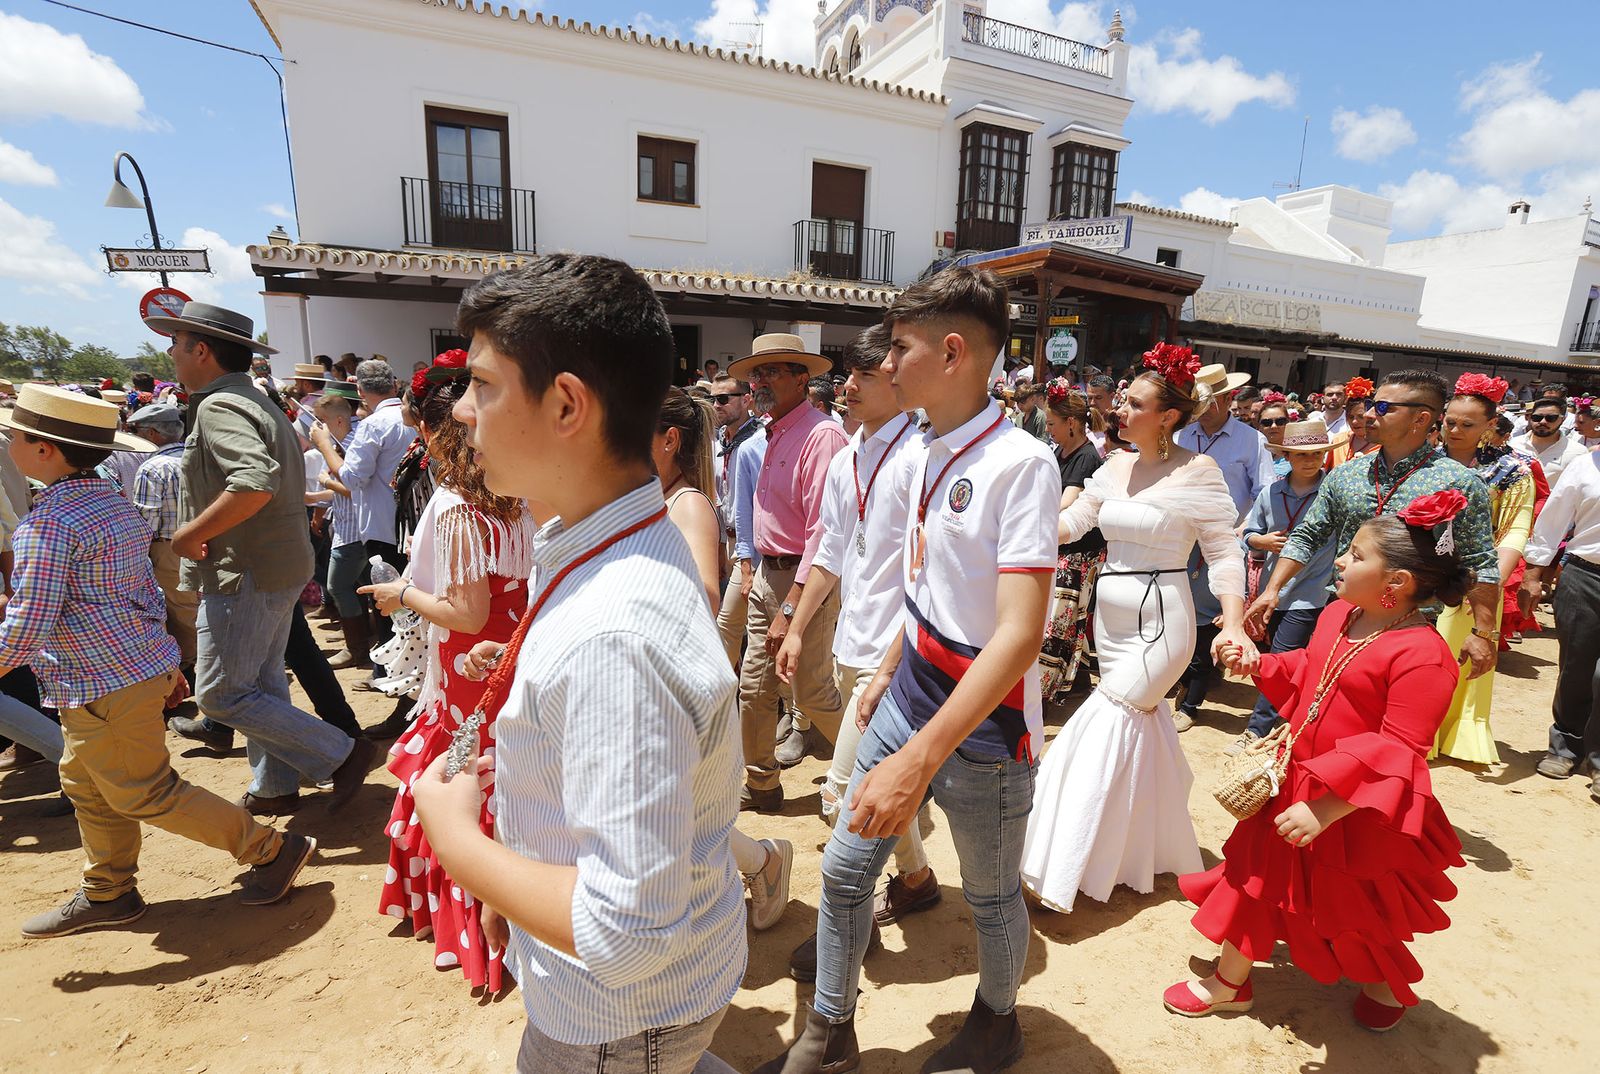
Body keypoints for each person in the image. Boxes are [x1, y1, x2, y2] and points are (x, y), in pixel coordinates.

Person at [409, 254, 744, 1073]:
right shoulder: (601, 541)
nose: (461, 410)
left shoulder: (613, 631)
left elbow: (626, 932)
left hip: (613, 1021)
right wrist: (518, 887)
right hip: (633, 1003)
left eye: (482, 385)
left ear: (566, 404)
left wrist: (461, 846)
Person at [756, 265, 1058, 1074]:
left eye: (899, 348)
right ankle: (830, 1034)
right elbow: (926, 583)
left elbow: (1018, 636)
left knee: (990, 896)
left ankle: (997, 1022)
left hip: (985, 730)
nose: (885, 365)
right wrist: (892, 663)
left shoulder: (1021, 464)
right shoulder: (926, 448)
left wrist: (920, 758)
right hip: (911, 693)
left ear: (952, 353)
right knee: (845, 869)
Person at [0, 385, 315, 937]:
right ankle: (109, 890)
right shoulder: (110, 501)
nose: (9, 445)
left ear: (44, 449)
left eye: (16, 437)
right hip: (118, 675)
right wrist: (165, 661)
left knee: (144, 791)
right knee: (88, 783)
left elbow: (28, 625)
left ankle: (269, 849)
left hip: (101, 684)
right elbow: (143, 591)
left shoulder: (49, 525)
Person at [1167, 494, 1473, 1031]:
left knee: (1358, 903)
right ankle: (1230, 983)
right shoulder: (1338, 614)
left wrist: (1328, 809)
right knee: (1256, 877)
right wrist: (1260, 664)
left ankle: (1382, 986)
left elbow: (1400, 750)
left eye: (1356, 555)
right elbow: (1311, 671)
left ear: (1396, 582)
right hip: (1297, 781)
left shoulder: (1424, 656)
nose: (1340, 561)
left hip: (1358, 808)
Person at [1022, 344, 1254, 913]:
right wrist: (1016, 532)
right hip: (1110, 618)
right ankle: (1139, 852)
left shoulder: (1200, 472)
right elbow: (1077, 522)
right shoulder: (1115, 464)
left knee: (1104, 721)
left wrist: (1234, 622)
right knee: (1136, 729)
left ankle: (1059, 861)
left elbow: (1224, 552)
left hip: (1163, 622)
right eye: (1123, 400)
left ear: (1169, 416)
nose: (1120, 410)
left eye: (1135, 404)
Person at [145, 300, 376, 815]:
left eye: (176, 343)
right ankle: (275, 786)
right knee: (263, 684)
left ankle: (341, 753)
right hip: (270, 565)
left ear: (201, 351)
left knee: (220, 695)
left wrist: (187, 536)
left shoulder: (221, 406)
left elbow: (252, 483)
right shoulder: (254, 400)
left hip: (244, 569)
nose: (170, 353)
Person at [363, 353, 537, 991]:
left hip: (472, 666)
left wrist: (401, 594)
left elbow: (466, 612)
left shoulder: (460, 506)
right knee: (498, 771)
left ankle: (473, 916)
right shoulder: (517, 496)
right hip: (510, 654)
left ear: (435, 433)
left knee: (462, 775)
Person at [776, 325, 938, 968]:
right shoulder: (847, 459)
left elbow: (929, 578)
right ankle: (917, 880)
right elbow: (832, 551)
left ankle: (847, 925)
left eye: (865, 376)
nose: (847, 387)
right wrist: (796, 624)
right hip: (852, 640)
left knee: (841, 792)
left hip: (894, 654)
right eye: (849, 375)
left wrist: (892, 665)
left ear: (898, 385)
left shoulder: (921, 458)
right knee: (871, 784)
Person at [1248, 370, 1502, 682]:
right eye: (1371, 405)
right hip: (1341, 611)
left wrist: (1483, 632)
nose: (1368, 415)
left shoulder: (1459, 482)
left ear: (1420, 419)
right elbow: (1308, 535)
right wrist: (1272, 590)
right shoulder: (1347, 475)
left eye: (1383, 408)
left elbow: (1480, 561)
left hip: (1410, 626)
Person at [655, 384, 793, 932]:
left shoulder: (688, 505)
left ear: (669, 441)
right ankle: (760, 863)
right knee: (673, 809)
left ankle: (762, 862)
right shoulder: (658, 499)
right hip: (660, 675)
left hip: (676, 677)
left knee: (678, 809)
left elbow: (705, 595)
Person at [731, 333, 848, 808]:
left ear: (802, 380)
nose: (759, 381)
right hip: (769, 573)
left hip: (805, 578)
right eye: (756, 373)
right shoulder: (772, 431)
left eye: (772, 372)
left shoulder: (822, 436)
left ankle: (880, 768)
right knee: (754, 688)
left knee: (813, 693)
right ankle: (762, 784)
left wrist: (791, 605)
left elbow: (824, 531)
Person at [1432, 375, 1534, 766]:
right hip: (1420, 572)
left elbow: (1515, 532)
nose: (1455, 430)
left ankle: (1454, 731)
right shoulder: (1424, 460)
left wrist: (1487, 583)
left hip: (1474, 576)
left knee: (1457, 654)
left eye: (1467, 424)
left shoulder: (1512, 471)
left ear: (1490, 425)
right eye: (1450, 422)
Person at [1226, 420, 1341, 756]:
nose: (1310, 460)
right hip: (1272, 592)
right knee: (1278, 658)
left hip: (1313, 592)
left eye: (1317, 453)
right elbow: (1249, 534)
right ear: (1286, 456)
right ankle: (1284, 719)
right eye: (1302, 454)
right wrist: (1261, 540)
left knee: (1280, 658)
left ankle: (1257, 729)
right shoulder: (1271, 493)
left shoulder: (1334, 492)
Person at [1172, 363, 1272, 732]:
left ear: (1228, 399)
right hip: (1180, 541)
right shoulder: (1181, 435)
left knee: (1207, 619)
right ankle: (1184, 678)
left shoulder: (1252, 440)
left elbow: (1264, 493)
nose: (1203, 407)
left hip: (1222, 545)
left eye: (1210, 400)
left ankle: (1192, 701)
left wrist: (1243, 532)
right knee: (1176, 612)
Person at [1521, 445, 1600, 797]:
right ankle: (1565, 746)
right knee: (1576, 667)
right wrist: (1533, 574)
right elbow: (1553, 521)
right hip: (1586, 578)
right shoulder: (1585, 466)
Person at [1038, 379, 1107, 703]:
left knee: (1058, 624)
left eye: (1052, 423)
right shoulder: (1059, 451)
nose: (1047, 429)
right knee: (1061, 620)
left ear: (1071, 423)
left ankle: (1044, 690)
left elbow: (1067, 503)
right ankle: (1076, 680)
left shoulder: (1087, 457)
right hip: (1057, 545)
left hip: (1078, 554)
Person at [126, 402, 197, 692]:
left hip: (169, 549)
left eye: (137, 431)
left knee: (180, 614)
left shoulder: (153, 467)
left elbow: (146, 520)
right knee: (195, 607)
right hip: (204, 542)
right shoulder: (198, 457)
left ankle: (189, 671)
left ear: (152, 433)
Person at [308, 389, 369, 669]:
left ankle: (356, 649)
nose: (316, 427)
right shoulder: (339, 443)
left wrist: (326, 482)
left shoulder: (351, 444)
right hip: (349, 527)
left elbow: (354, 489)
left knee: (338, 586)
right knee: (355, 587)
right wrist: (317, 500)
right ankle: (362, 644)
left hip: (355, 530)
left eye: (321, 420)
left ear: (339, 421)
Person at [710, 375, 763, 666]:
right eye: (713, 399)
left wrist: (747, 561)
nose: (716, 405)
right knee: (730, 627)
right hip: (728, 541)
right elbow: (720, 497)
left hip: (754, 548)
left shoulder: (760, 441)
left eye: (723, 399)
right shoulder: (720, 440)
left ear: (746, 400)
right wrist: (720, 546)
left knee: (734, 626)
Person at [1511, 397, 1587, 487]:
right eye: (1537, 417)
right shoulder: (1512, 445)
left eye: (1551, 418)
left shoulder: (1578, 452)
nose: (1543, 422)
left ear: (1562, 419)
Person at [1256, 396, 1291, 477]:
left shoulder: (1297, 454)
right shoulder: (1251, 454)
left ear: (1288, 423)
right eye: (1267, 422)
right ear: (1259, 426)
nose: (1274, 426)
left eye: (1280, 421)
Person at [1085, 373, 1116, 454]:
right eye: (1089, 398)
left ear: (1112, 396)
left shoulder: (1121, 424)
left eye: (1098, 398)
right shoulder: (1082, 423)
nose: (1092, 403)